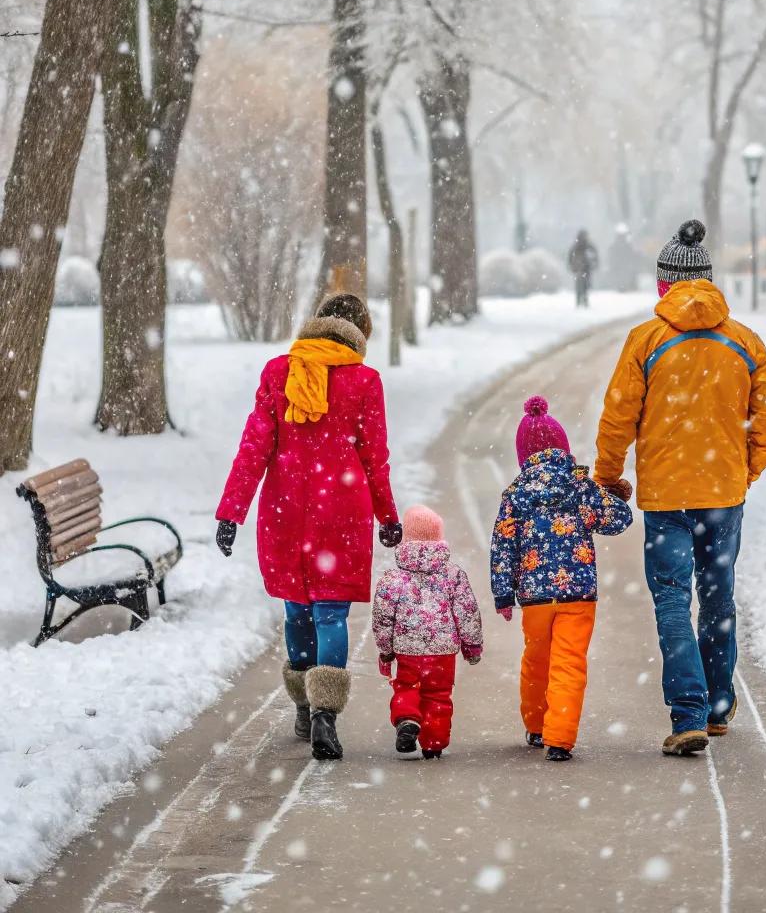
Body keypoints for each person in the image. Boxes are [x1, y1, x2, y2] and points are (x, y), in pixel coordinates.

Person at [594, 219, 766, 757]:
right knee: (718, 596)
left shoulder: (645, 341)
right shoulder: (744, 342)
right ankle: (719, 706)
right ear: (707, 280)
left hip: (665, 500)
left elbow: (617, 421)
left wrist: (608, 477)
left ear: (664, 285)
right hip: (723, 497)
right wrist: (742, 473)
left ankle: (688, 714)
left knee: (673, 602)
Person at [215, 292, 402, 762]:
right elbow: (373, 458)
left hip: (286, 512)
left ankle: (303, 706)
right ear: (359, 333)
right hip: (339, 512)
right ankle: (325, 715)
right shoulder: (364, 381)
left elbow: (254, 447)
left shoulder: (280, 372)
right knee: (331, 616)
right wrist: (388, 516)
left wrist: (231, 511)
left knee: (297, 612)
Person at [490, 396, 632, 761]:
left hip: (535, 597)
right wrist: (614, 497)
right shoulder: (579, 485)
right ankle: (559, 737)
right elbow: (617, 521)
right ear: (564, 447)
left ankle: (536, 727)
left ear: (524, 456)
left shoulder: (516, 494)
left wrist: (503, 593)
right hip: (578, 594)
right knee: (569, 662)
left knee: (536, 659)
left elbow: (502, 545)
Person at [372, 504, 483, 759]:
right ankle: (434, 743)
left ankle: (407, 719)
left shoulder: (393, 579)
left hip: (407, 650)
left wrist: (386, 651)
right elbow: (467, 612)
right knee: (439, 695)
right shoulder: (453, 575)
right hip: (443, 653)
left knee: (407, 686)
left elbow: (382, 618)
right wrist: (472, 645)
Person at [567, 229, 599, 307]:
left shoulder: (576, 246)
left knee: (579, 285)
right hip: (585, 269)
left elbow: (570, 258)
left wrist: (572, 267)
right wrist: (594, 265)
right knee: (585, 285)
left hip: (579, 269)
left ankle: (579, 300)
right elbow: (595, 257)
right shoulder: (588, 246)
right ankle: (584, 300)